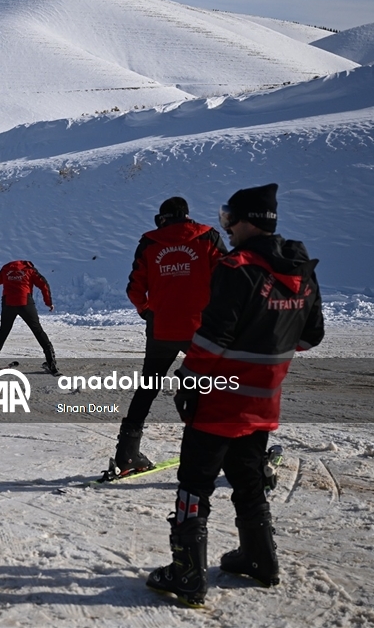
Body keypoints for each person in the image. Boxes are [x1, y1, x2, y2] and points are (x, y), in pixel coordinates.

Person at [146, 184, 324, 607]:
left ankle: (187, 573)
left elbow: (212, 339)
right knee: (248, 478)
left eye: (230, 218)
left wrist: (189, 381)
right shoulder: (300, 269)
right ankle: (259, 558)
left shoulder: (237, 267)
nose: (226, 227)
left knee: (194, 483)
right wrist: (267, 347)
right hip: (264, 399)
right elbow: (310, 336)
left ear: (249, 222)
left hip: (221, 398)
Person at [109, 197, 227, 478]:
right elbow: (227, 279)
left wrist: (147, 311)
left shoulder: (150, 243)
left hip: (161, 328)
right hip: (200, 328)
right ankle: (223, 450)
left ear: (163, 218)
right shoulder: (207, 237)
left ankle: (127, 453)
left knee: (148, 387)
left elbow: (135, 288)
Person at [0, 260, 57, 375]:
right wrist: (48, 302)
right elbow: (43, 285)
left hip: (8, 303)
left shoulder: (6, 271)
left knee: (3, 332)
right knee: (38, 331)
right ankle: (51, 363)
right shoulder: (29, 270)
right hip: (25, 302)